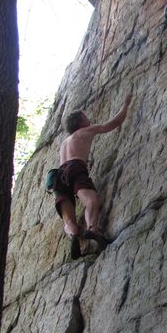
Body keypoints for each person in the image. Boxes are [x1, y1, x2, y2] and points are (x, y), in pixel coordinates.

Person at [54, 94, 132, 259]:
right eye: (86, 118)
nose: (89, 120)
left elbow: (68, 162)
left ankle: (74, 234)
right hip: (75, 168)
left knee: (68, 219)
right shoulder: (85, 131)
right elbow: (113, 123)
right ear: (80, 123)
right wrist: (125, 104)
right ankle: (92, 229)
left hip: (59, 175)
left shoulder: (64, 143)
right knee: (91, 201)